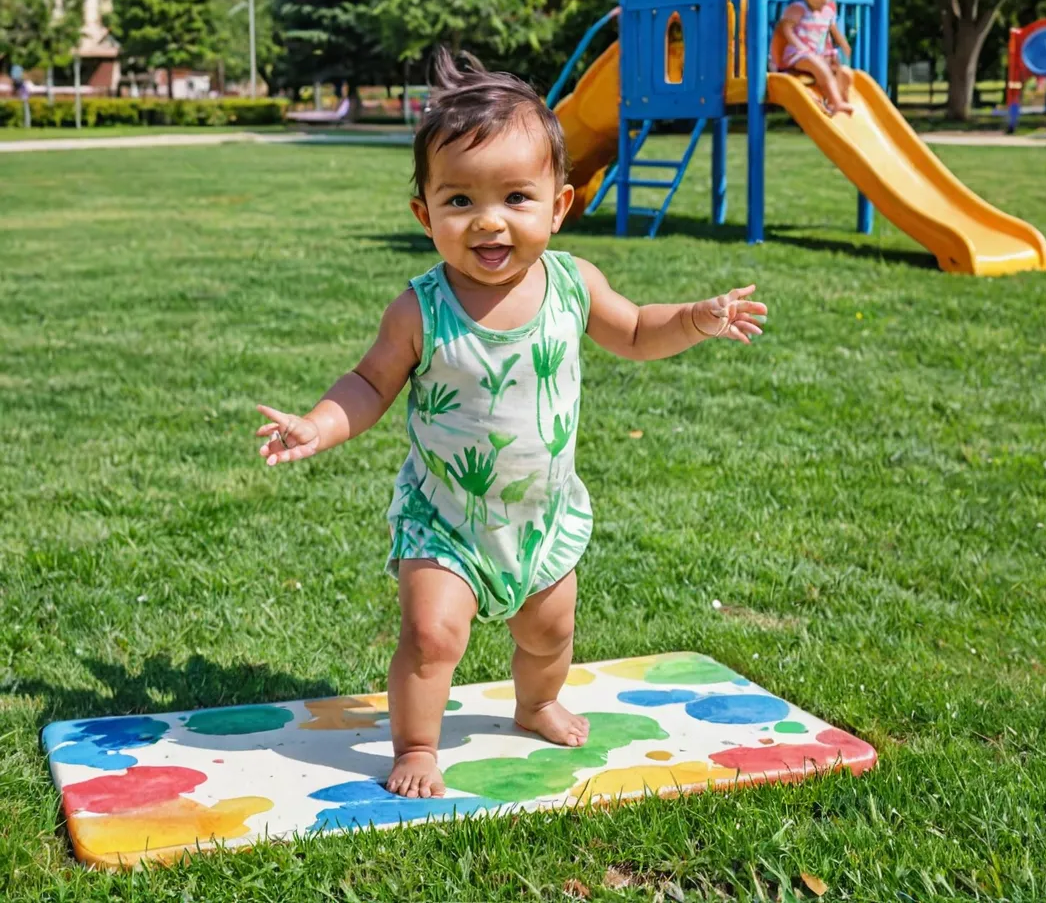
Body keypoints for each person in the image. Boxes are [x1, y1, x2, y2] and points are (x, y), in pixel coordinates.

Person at [254, 49, 768, 799]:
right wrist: (320, 424)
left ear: (558, 207)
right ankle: (419, 744)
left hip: (542, 517)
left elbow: (635, 332)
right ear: (425, 215)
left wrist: (694, 318)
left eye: (516, 198)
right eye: (460, 201)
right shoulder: (419, 310)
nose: (489, 221)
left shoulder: (573, 285)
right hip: (446, 520)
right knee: (433, 638)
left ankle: (535, 705)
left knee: (549, 633)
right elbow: (368, 383)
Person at [776, 0, 854, 114]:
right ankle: (836, 102)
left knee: (842, 69)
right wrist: (800, 47)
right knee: (819, 65)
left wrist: (844, 46)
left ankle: (838, 97)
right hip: (797, 55)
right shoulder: (798, 9)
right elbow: (786, 29)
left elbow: (833, 31)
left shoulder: (828, 11)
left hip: (816, 54)